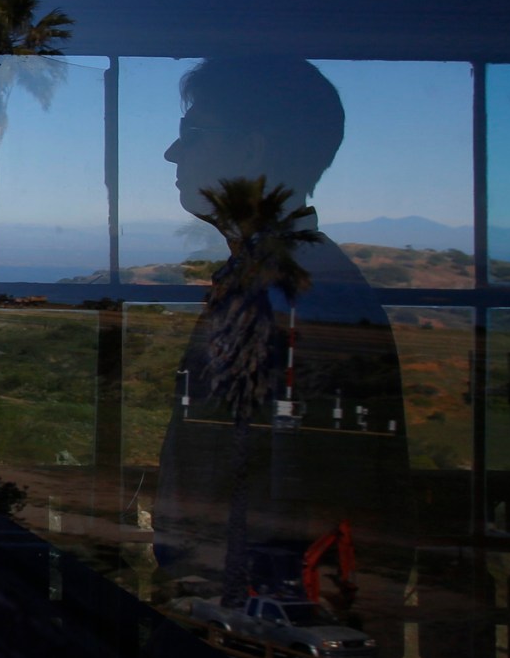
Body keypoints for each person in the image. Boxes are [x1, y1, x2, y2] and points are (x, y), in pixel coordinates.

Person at [154, 57, 409, 589]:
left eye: (193, 133)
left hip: (255, 606)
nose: (173, 152)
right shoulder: (285, 274)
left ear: (253, 148)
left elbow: (315, 494)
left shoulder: (294, 290)